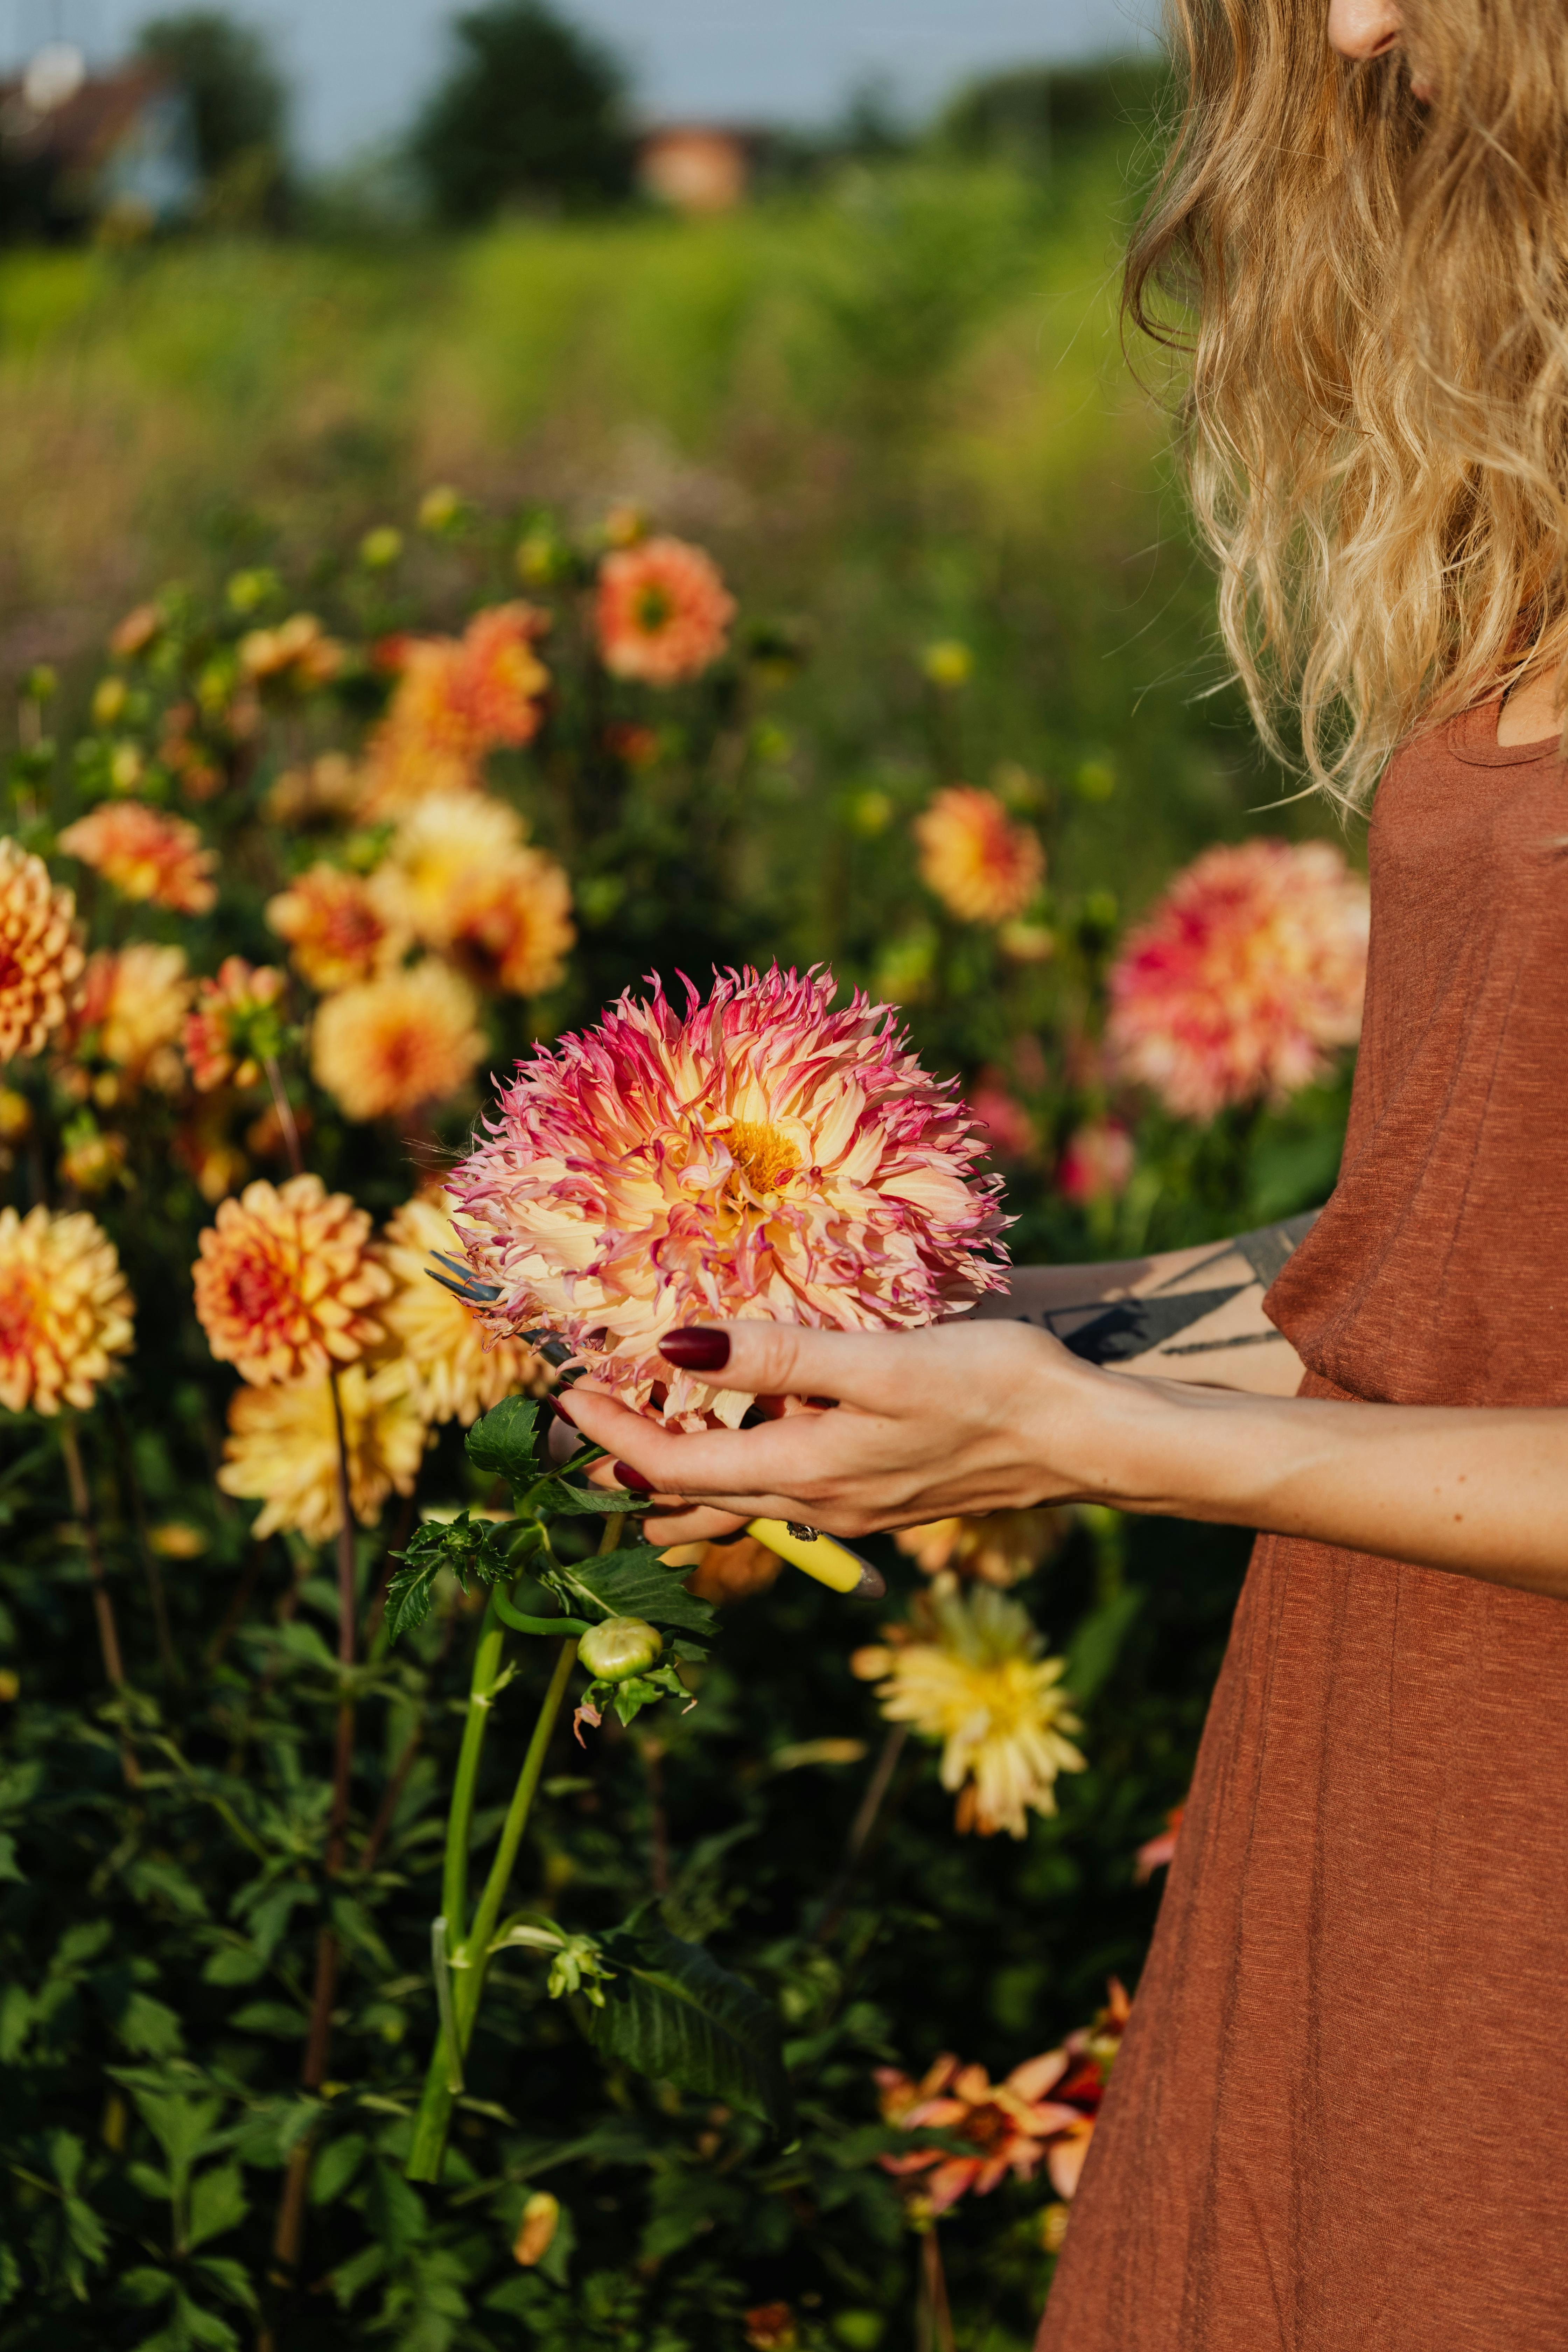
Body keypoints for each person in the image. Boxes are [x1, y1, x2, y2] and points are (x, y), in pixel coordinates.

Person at [559, 0, 1568, 2343]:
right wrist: (990, 1328)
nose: (1352, 27)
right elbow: (1474, 1258)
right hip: (1398, 1818)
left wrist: (1089, 1439)